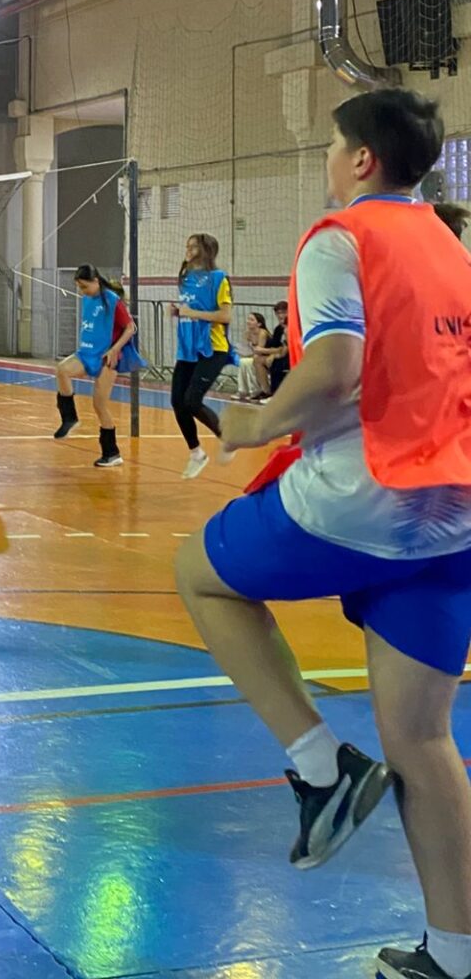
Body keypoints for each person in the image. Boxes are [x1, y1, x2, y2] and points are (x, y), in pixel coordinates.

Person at [175, 87, 471, 979]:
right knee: (423, 739)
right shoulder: (452, 245)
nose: (329, 161)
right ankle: (455, 956)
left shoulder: (342, 237)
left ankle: (319, 766)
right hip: (452, 508)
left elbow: (335, 367)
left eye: (334, 146)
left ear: (362, 159)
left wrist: (253, 423)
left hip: (362, 491)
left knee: (199, 573)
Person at [53, 263, 144, 465]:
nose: (82, 291)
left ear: (95, 281)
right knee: (62, 370)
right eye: (79, 287)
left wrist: (115, 349)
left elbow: (131, 328)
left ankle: (111, 453)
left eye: (84, 286)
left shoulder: (112, 300)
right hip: (86, 352)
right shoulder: (87, 299)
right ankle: (69, 417)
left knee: (99, 404)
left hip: (106, 357)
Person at [171, 232, 234, 478]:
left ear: (206, 251)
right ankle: (196, 453)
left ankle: (228, 437)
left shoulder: (218, 278)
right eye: (187, 246)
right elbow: (190, 309)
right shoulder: (186, 278)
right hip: (187, 349)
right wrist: (179, 312)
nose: (187, 250)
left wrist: (192, 313)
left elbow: (225, 316)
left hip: (212, 348)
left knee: (192, 401)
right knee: (177, 401)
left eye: (193, 247)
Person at [234, 311, 271, 401]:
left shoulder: (262, 333)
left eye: (251, 320)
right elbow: (245, 348)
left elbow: (260, 350)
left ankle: (255, 390)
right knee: (242, 361)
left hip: (265, 357)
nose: (248, 321)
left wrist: (249, 354)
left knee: (250, 362)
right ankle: (243, 391)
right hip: (254, 356)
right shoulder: (247, 333)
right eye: (248, 319)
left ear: (259, 324)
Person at [257, 299, 290, 394]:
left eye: (283, 312)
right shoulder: (278, 329)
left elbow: (286, 349)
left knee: (277, 363)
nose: (280, 316)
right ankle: (266, 390)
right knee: (257, 359)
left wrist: (272, 354)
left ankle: (275, 392)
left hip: (290, 356)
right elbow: (275, 346)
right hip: (280, 354)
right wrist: (273, 353)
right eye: (278, 313)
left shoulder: (291, 328)